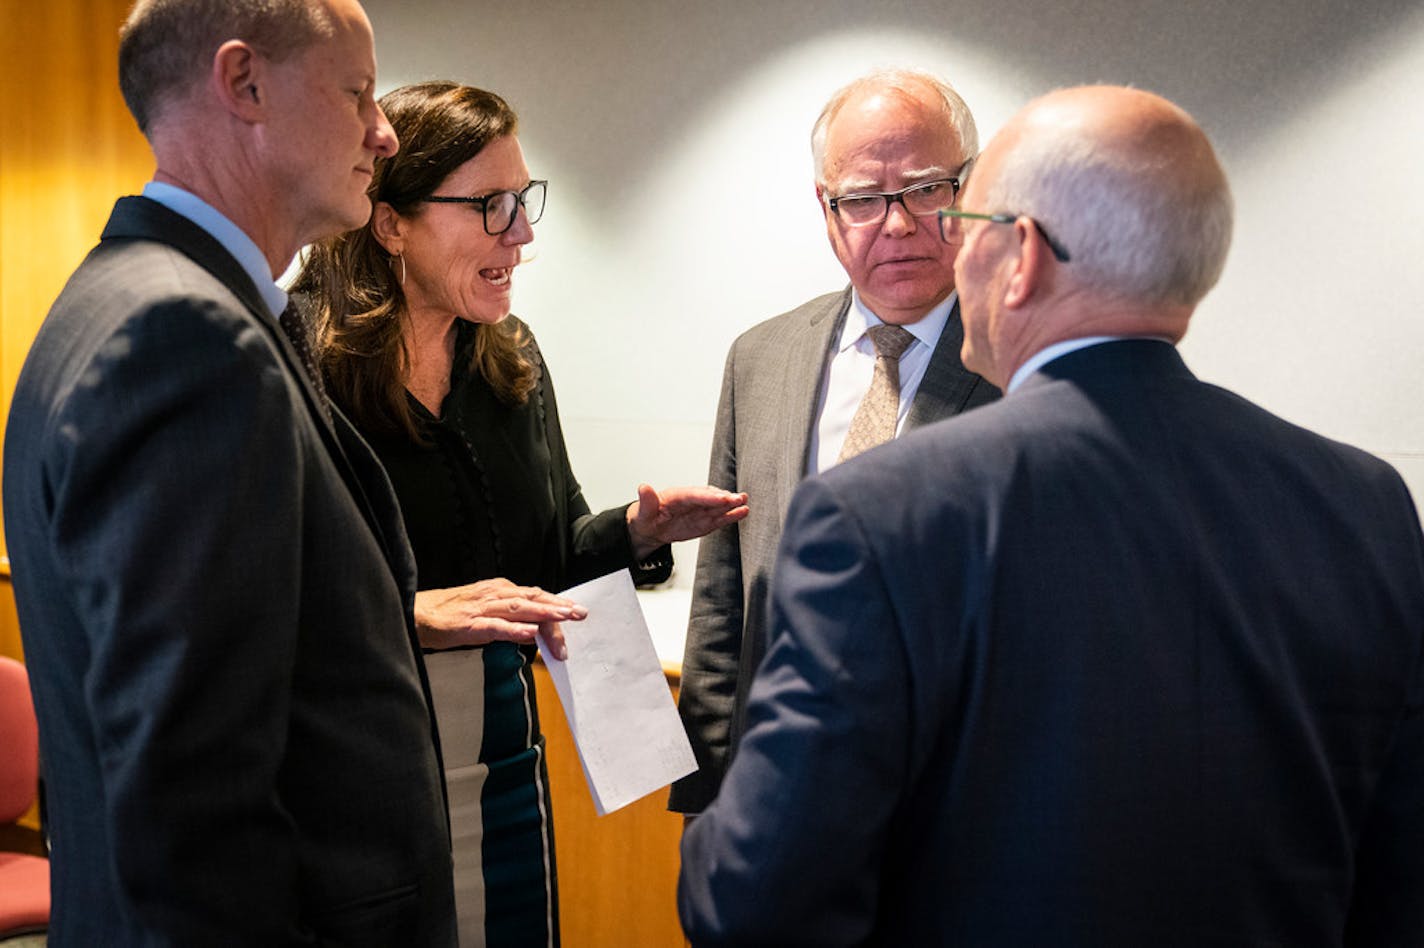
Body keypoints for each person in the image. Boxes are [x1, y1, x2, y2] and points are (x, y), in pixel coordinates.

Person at [678, 85, 1424, 946]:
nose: (939, 240)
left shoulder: (876, 513)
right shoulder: (1367, 505)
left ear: (1021, 256)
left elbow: (755, 903)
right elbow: (1398, 871)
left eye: (961, 214)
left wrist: (719, 846)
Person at [1, 1, 458, 945]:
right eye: (358, 92)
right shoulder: (181, 337)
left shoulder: (135, 302)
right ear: (244, 82)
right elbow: (189, 802)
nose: (386, 130)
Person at [294, 80, 747, 947]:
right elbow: (261, 591)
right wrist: (410, 615)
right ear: (391, 223)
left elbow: (547, 559)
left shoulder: (511, 359)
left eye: (524, 201)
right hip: (361, 756)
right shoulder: (297, 359)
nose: (524, 234)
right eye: (492, 206)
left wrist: (638, 531)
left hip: (505, 745)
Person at [671, 67, 1001, 814]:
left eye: (924, 189)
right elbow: (726, 600)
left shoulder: (1027, 364)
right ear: (827, 208)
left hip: (960, 806)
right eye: (861, 199)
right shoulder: (760, 358)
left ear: (970, 189)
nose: (896, 223)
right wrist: (709, 804)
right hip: (781, 796)